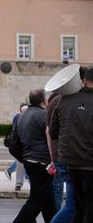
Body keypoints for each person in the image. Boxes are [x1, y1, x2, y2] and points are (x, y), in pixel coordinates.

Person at [49, 66, 93, 223]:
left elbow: (53, 132)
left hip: (70, 162)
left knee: (78, 206)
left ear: (84, 80)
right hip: (89, 162)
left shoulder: (64, 100)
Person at [13, 88, 55, 223]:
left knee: (48, 199)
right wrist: (54, 159)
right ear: (44, 100)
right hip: (41, 161)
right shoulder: (44, 114)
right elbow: (50, 136)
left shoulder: (23, 116)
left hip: (29, 159)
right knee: (37, 199)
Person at [46, 92, 75, 223]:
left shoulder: (55, 102)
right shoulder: (64, 101)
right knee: (71, 204)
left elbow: (50, 132)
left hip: (60, 156)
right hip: (68, 157)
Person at [5, 104, 29, 191]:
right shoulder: (18, 119)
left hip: (29, 146)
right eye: (24, 111)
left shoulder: (30, 118)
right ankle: (18, 183)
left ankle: (28, 182)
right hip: (20, 146)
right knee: (20, 165)